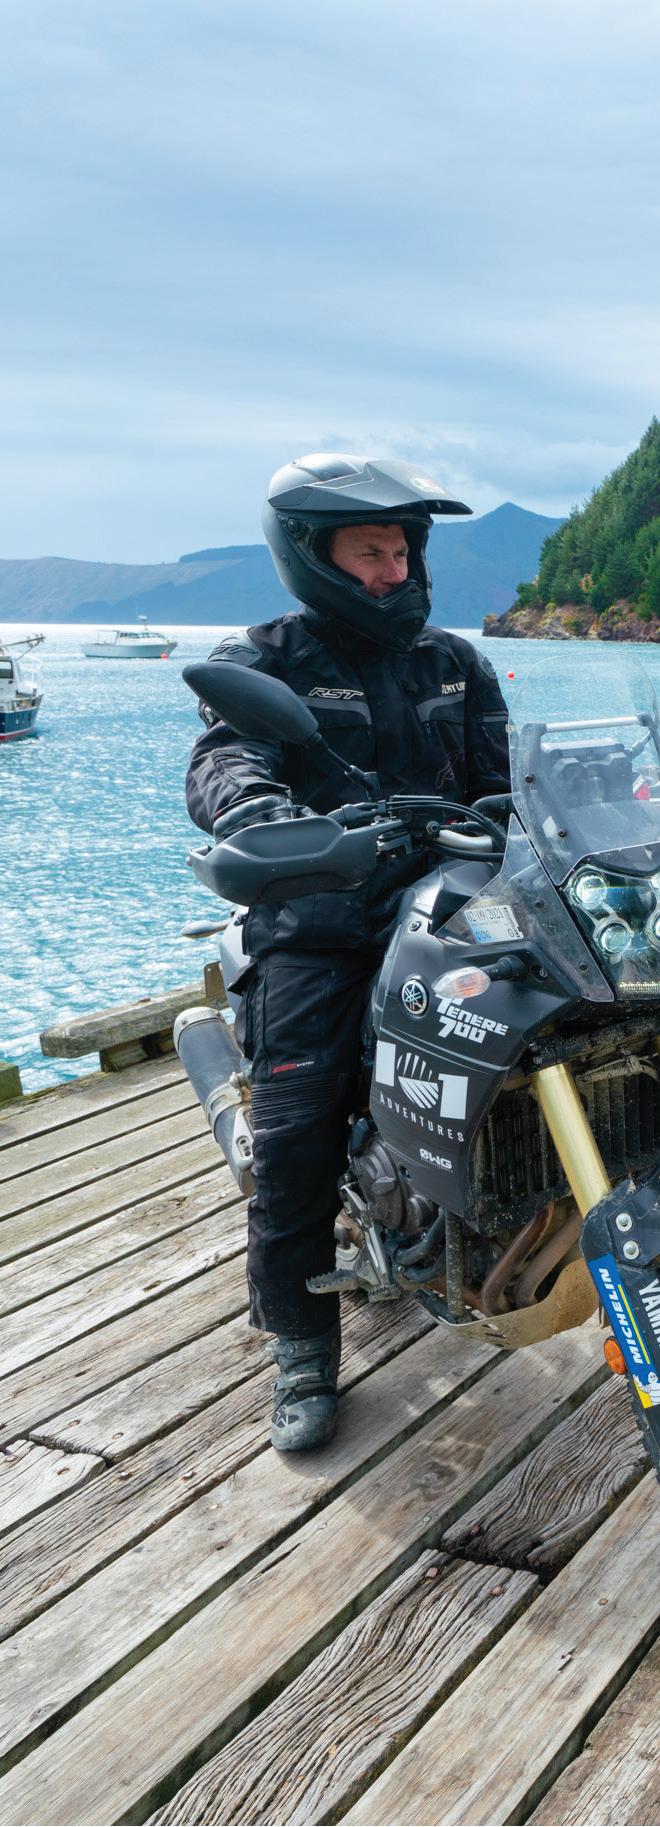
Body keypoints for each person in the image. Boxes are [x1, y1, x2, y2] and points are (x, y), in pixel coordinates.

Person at [186, 453, 510, 1453]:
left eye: (402, 550)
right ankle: (300, 1341)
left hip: (446, 912)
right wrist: (258, 811)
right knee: (297, 1129)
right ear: (311, 554)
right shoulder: (265, 659)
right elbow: (224, 760)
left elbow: (511, 783)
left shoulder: (456, 664)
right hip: (318, 922)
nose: (392, 570)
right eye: (370, 551)